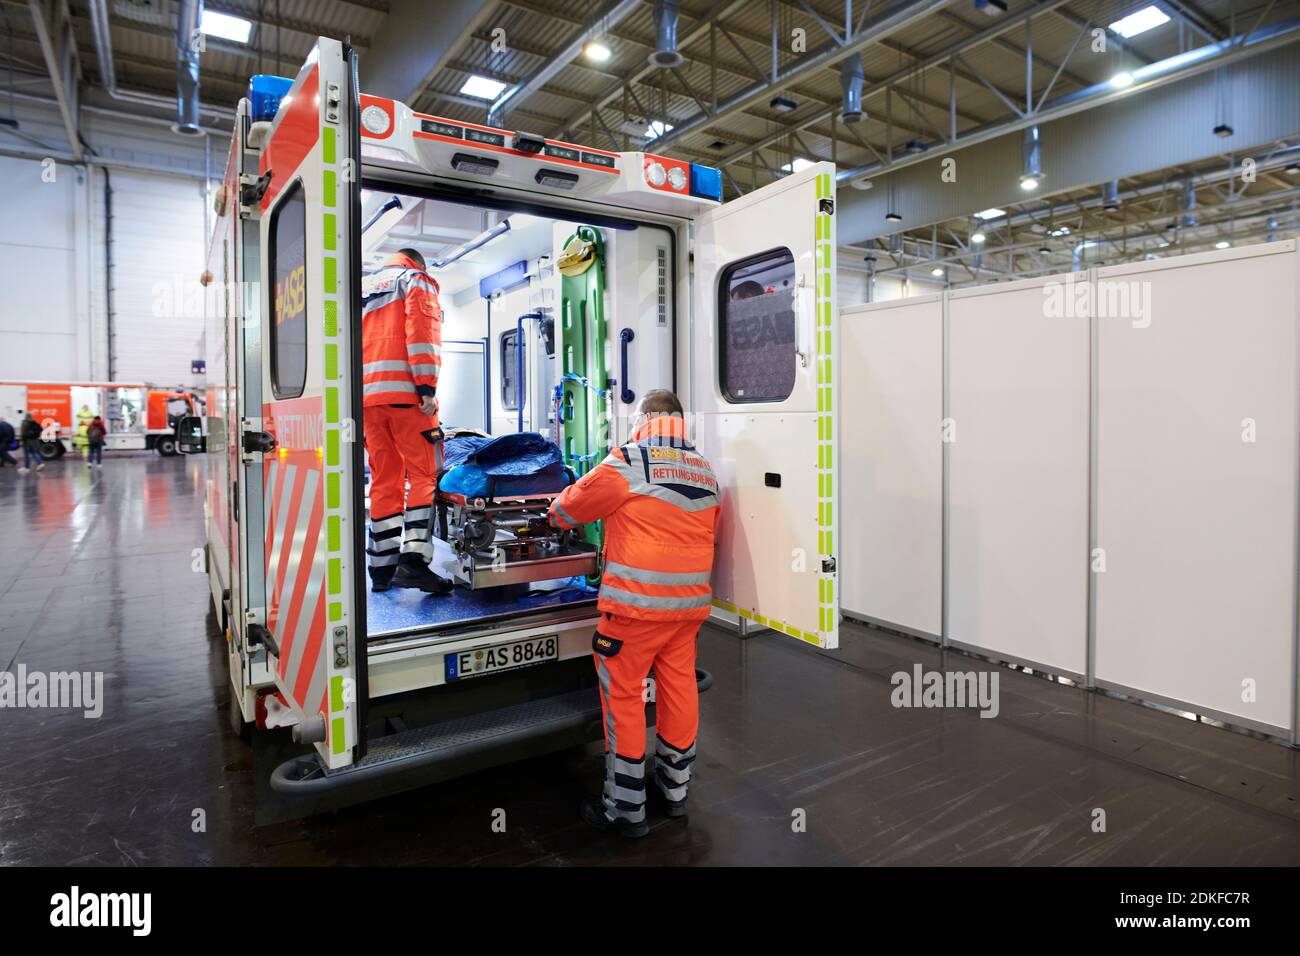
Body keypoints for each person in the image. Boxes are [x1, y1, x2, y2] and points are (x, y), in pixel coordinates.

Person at [548, 389, 721, 838]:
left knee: (624, 697)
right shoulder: (705, 470)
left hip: (635, 609)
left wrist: (552, 514)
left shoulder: (628, 460)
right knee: (679, 690)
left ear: (645, 418)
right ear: (679, 421)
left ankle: (626, 810)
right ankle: (675, 793)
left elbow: (569, 508)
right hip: (688, 609)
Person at [361, 247, 452, 594]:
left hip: (367, 402)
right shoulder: (416, 281)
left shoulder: (361, 289)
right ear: (419, 262)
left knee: (385, 479)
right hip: (407, 398)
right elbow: (422, 332)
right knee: (424, 474)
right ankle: (414, 562)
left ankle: (381, 570)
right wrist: (426, 387)